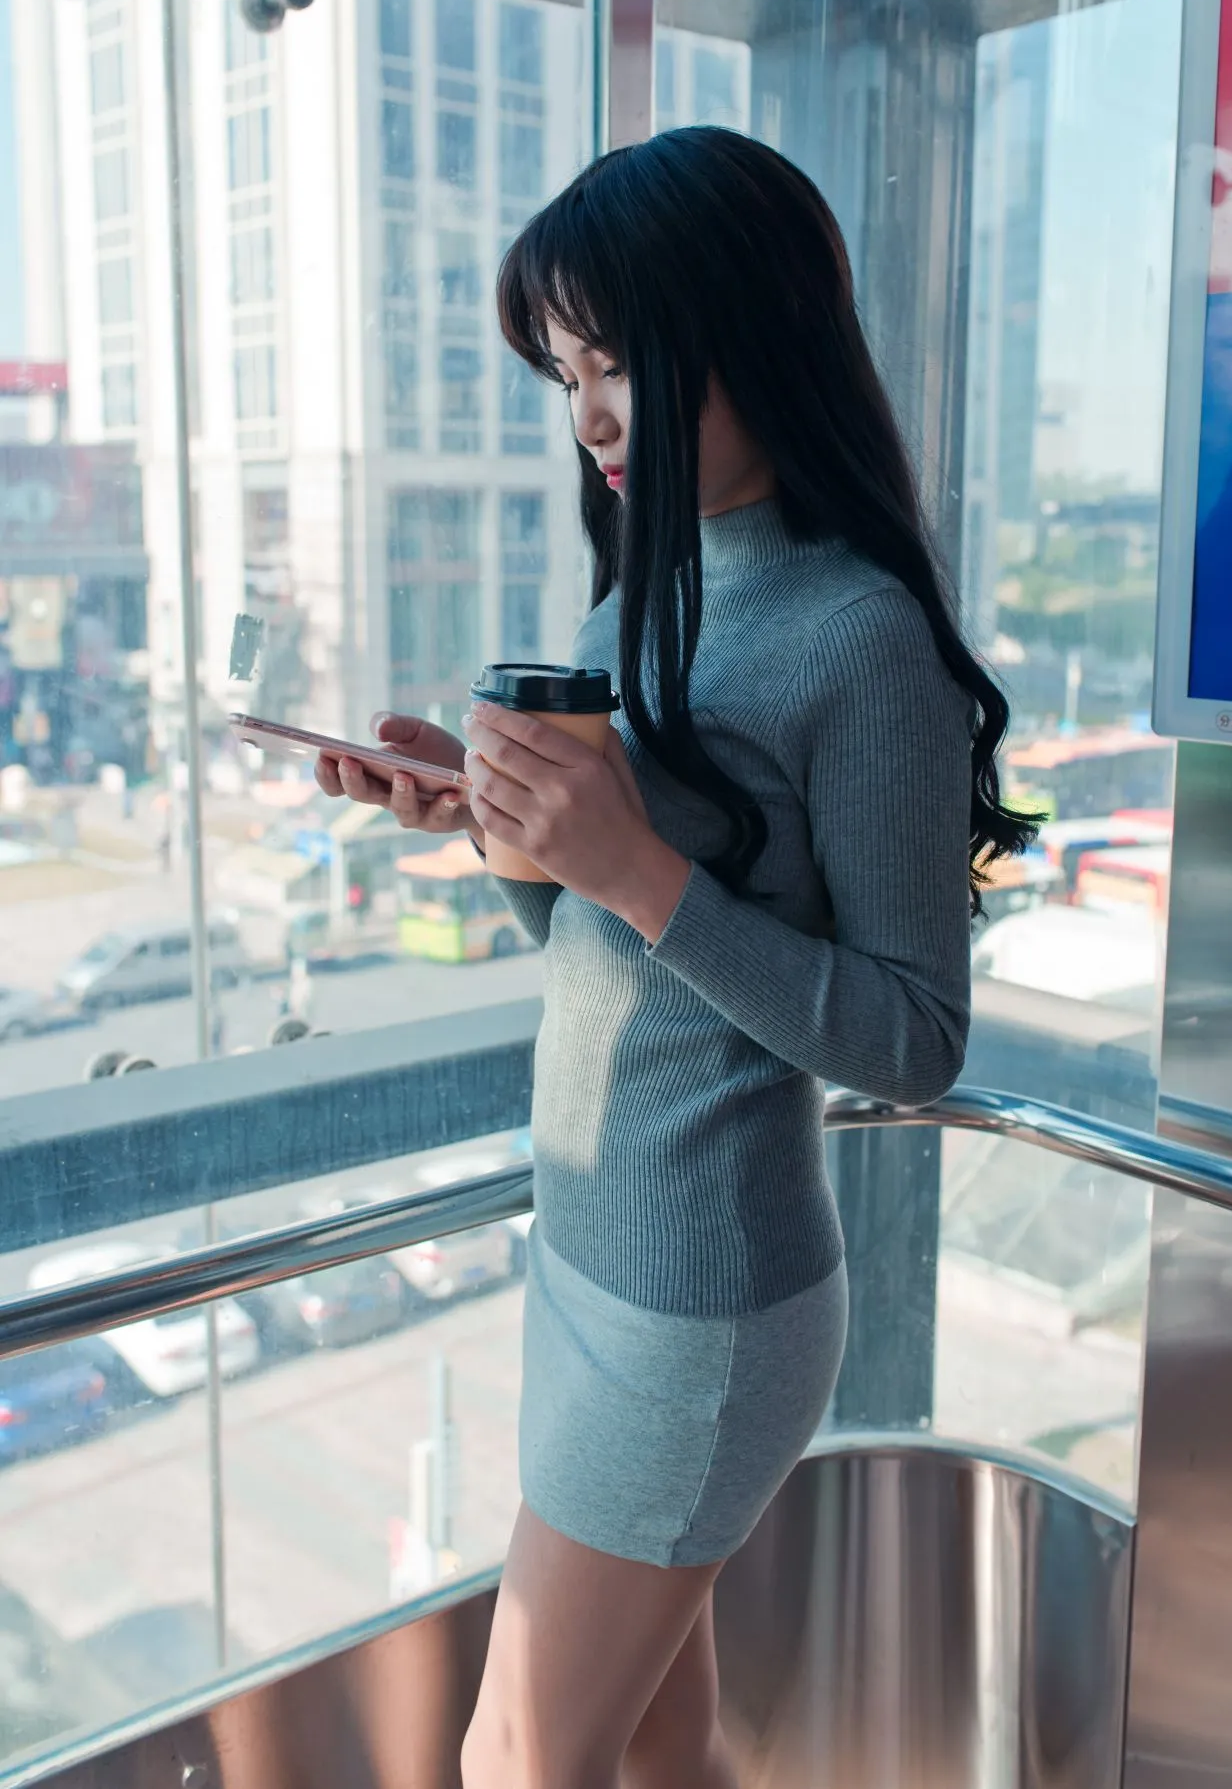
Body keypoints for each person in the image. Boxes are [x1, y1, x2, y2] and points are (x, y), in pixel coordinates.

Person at [318, 127, 1035, 1789]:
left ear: (757, 323)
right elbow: (608, 946)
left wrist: (633, 867)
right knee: (659, 1747)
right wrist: (495, 834)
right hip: (591, 1260)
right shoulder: (630, 612)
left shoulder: (859, 638)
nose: (589, 413)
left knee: (518, 1755)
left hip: (702, 1304)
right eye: (567, 369)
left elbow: (918, 1041)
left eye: (622, 357)